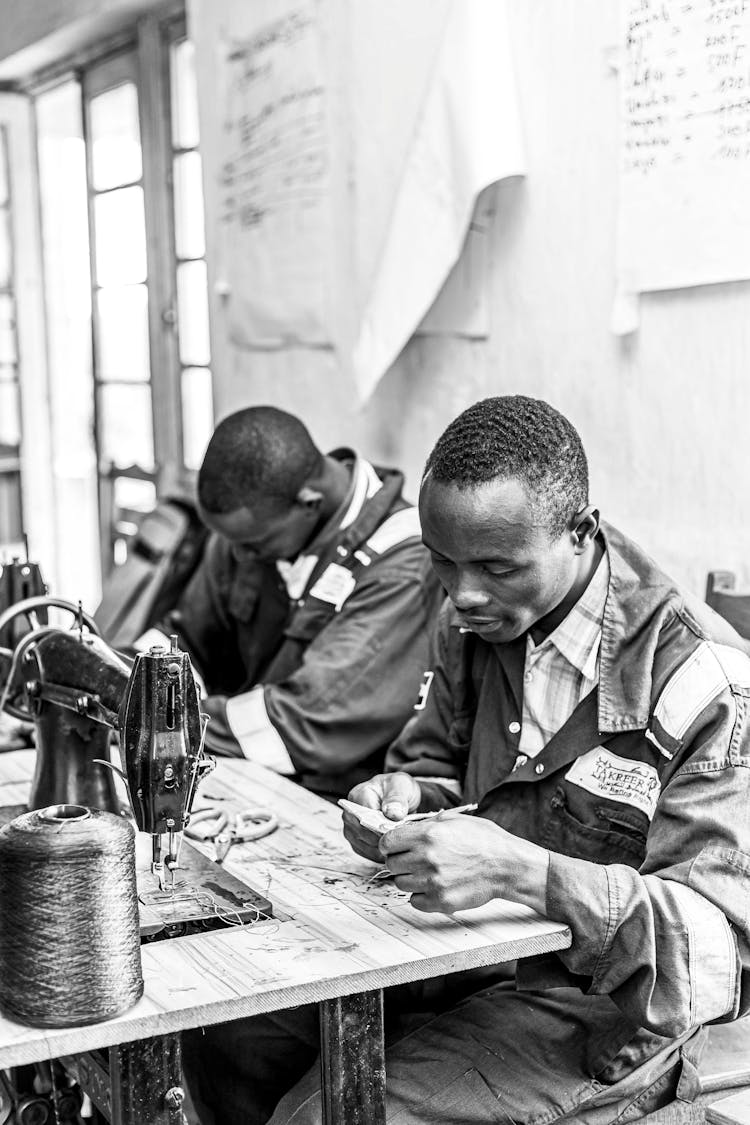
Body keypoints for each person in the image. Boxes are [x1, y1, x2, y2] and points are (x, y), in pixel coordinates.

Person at [186, 395, 750, 1125]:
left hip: (606, 1019)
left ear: (581, 532)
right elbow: (438, 765)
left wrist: (526, 871)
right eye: (442, 562)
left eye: (494, 566)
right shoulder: (481, 623)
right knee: (229, 1030)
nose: (461, 594)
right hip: (469, 961)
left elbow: (714, 958)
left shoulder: (700, 684)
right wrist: (410, 798)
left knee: (321, 1116)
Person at [153, 405, 443, 800]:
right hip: (247, 775)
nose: (238, 557)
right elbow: (186, 643)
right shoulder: (252, 530)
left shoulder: (402, 565)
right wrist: (121, 677)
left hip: (335, 802)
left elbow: (303, 724)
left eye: (253, 547)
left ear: (309, 504)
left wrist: (160, 720)